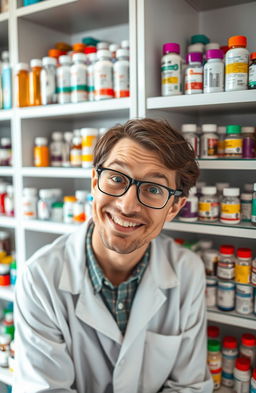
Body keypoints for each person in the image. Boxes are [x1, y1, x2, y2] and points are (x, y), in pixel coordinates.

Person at [13, 118, 213, 393]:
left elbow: (189, 386)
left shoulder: (187, 271)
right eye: (117, 179)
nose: (127, 205)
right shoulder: (40, 278)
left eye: (153, 189)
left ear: (174, 207)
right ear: (95, 182)